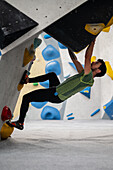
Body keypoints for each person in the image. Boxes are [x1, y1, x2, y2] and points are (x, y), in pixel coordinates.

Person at [7, 39, 106, 130]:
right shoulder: (84, 75)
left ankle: (20, 123)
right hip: (57, 90)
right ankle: (28, 80)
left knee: (26, 97)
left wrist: (93, 41)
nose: (94, 61)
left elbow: (87, 57)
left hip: (56, 94)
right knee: (52, 75)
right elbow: (75, 60)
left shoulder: (88, 79)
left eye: (97, 63)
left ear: (98, 70)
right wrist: (68, 47)